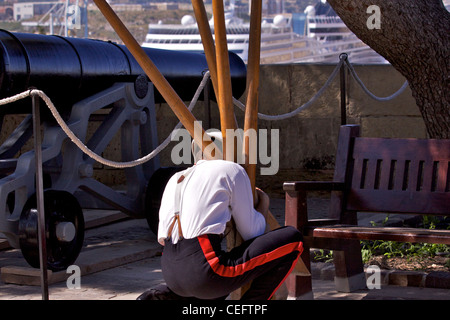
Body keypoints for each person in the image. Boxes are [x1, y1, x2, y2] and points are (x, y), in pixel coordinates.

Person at [137, 133, 303, 300]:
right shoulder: (231, 170)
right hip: (207, 273)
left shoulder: (175, 178)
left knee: (214, 285)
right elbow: (252, 232)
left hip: (171, 276)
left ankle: (159, 296)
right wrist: (263, 205)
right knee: (293, 239)